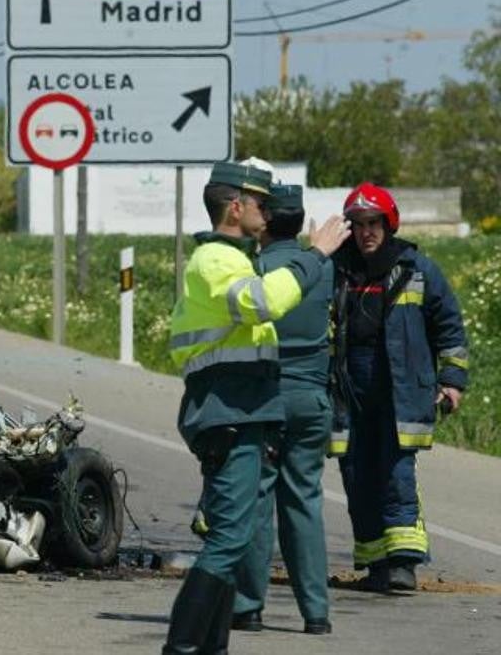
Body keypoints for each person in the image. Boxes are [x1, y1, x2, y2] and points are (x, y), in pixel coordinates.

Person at [164, 162, 350, 654]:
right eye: (260, 204)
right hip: (228, 408)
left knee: (236, 533)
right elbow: (262, 302)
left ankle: (212, 647)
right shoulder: (216, 260)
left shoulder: (234, 258)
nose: (267, 213)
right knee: (229, 539)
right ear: (235, 206)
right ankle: (181, 649)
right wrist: (314, 257)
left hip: (242, 407)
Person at [330, 182, 468, 592]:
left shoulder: (417, 269)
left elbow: (450, 327)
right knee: (356, 471)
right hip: (348, 389)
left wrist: (452, 379)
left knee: (395, 472)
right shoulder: (336, 270)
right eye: (358, 224)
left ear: (388, 225)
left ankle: (403, 564)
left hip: (400, 387)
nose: (366, 232)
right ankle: (376, 564)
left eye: (374, 223)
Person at [229, 183, 334, 635]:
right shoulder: (322, 270)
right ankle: (316, 613)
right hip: (312, 399)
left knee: (257, 498)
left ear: (266, 220)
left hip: (266, 395)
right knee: (304, 502)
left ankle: (248, 605)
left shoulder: (257, 269)